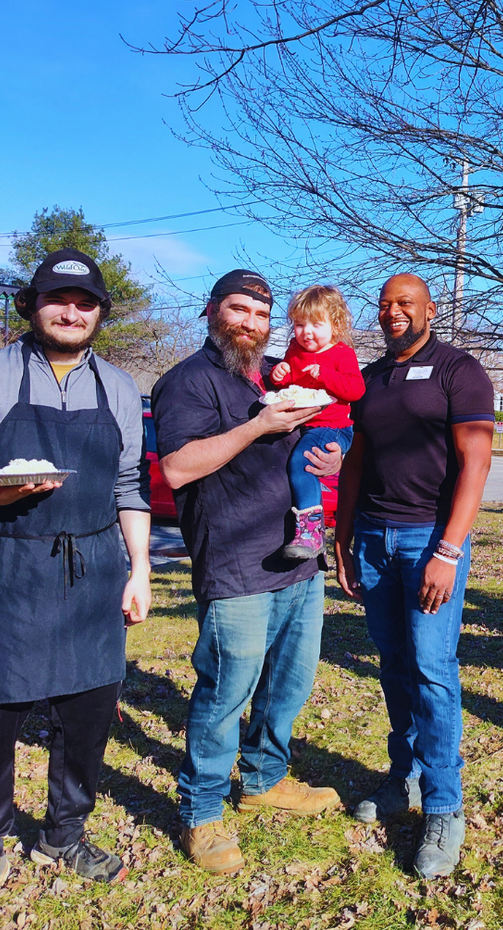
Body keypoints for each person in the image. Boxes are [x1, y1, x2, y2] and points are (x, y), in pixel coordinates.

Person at [0, 249, 152, 917]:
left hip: (93, 571)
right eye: (57, 298)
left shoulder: (116, 386)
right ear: (32, 305)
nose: (71, 311)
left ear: (99, 313)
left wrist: (139, 569)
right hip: (6, 564)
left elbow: (127, 486)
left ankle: (64, 835)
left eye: (85, 302)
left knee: (87, 717)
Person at [150, 269, 343, 876]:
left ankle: (264, 779)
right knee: (225, 692)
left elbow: (305, 448)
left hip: (297, 557)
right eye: (239, 311)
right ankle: (202, 812)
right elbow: (179, 467)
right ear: (212, 311)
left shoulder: (270, 375)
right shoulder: (187, 381)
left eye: (261, 315)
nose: (251, 324)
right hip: (234, 564)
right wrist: (259, 424)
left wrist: (334, 455)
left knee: (290, 683)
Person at [334, 273, 494, 879]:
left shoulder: (459, 370)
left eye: (405, 303)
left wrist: (448, 551)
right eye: (385, 305)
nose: (393, 313)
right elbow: (356, 464)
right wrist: (343, 538)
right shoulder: (370, 380)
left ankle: (445, 806)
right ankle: (402, 776)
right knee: (394, 663)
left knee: (432, 667)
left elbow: (476, 462)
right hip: (373, 539)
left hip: (429, 538)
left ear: (430, 309)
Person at [268, 285, 364, 560]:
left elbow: (355, 390)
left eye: (316, 324)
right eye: (299, 324)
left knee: (301, 463)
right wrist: (279, 374)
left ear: (335, 325)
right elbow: (289, 385)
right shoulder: (295, 350)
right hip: (304, 426)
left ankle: (311, 533)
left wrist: (325, 376)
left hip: (332, 426)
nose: (306, 332)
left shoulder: (341, 354)